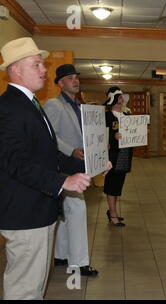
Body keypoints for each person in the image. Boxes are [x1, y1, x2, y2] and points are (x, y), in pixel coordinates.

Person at [0, 37, 91, 299]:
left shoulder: (31, 104)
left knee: (36, 284)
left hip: (39, 210)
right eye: (37, 64)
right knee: (25, 289)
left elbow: (48, 155)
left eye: (42, 64)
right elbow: (14, 162)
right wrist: (62, 182)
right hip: (24, 213)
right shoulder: (8, 108)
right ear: (16, 69)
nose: (44, 70)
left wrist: (88, 165)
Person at [44, 64, 98, 277]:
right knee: (77, 210)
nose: (75, 81)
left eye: (76, 77)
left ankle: (62, 255)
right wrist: (70, 150)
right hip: (62, 164)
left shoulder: (79, 105)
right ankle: (79, 262)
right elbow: (50, 136)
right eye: (69, 78)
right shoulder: (53, 104)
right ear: (60, 83)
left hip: (77, 164)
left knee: (68, 211)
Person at [103, 86, 133, 227]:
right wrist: (112, 137)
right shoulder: (107, 116)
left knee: (118, 183)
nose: (122, 99)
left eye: (122, 97)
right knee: (111, 183)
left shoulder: (128, 116)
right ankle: (112, 213)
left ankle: (112, 211)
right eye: (119, 97)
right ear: (113, 99)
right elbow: (101, 135)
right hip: (112, 154)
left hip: (124, 153)